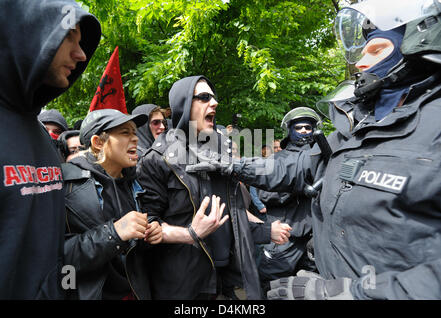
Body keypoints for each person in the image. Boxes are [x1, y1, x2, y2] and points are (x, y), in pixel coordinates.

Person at [194, 0, 441, 300]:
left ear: (420, 41)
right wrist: (233, 166)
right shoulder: (353, 130)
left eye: (377, 50)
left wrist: (345, 295)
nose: (361, 63)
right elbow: (290, 168)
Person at [136, 75, 290, 300]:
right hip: (182, 284)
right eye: (205, 97)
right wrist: (190, 234)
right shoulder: (157, 158)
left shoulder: (220, 151)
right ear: (184, 104)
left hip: (227, 280)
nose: (215, 102)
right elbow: (147, 226)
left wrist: (267, 231)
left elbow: (231, 215)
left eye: (214, 97)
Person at [0, 0, 101, 299]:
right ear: (26, 33)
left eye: (81, 42)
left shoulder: (40, 134)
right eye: (68, 36)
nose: (81, 54)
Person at [61, 109, 164, 300]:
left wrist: (151, 230)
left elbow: (134, 246)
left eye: (134, 132)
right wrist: (113, 233)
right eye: (125, 132)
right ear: (98, 143)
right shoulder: (67, 184)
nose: (135, 139)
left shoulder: (135, 180)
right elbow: (60, 257)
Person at [256, 107, 321, 295]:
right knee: (271, 285)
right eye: (299, 127)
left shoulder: (322, 158)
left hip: (313, 239)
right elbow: (264, 195)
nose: (303, 131)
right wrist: (297, 187)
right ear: (289, 130)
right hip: (284, 236)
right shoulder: (277, 159)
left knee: (308, 289)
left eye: (308, 128)